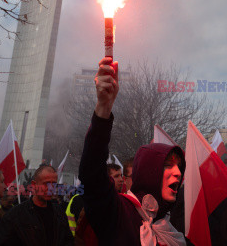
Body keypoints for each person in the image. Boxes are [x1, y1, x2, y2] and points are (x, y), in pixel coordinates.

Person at [78, 57, 186, 245]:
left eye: (179, 167)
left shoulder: (174, 233)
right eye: (168, 165)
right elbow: (92, 173)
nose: (178, 173)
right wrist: (104, 108)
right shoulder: (117, 212)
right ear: (147, 173)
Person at [0, 165, 73, 245]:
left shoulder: (60, 213)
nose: (50, 188)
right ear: (34, 185)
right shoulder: (15, 216)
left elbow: (68, 241)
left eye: (54, 184)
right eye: (46, 183)